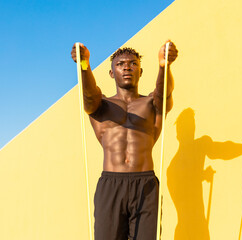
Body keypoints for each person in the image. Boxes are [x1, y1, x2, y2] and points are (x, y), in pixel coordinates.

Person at [71, 40, 178, 240]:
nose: (127, 67)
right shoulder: (100, 105)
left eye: (132, 63)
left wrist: (164, 65)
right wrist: (84, 65)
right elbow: (88, 95)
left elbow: (165, 93)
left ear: (141, 71)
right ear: (112, 73)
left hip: (145, 185)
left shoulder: (152, 104)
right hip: (111, 186)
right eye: (120, 64)